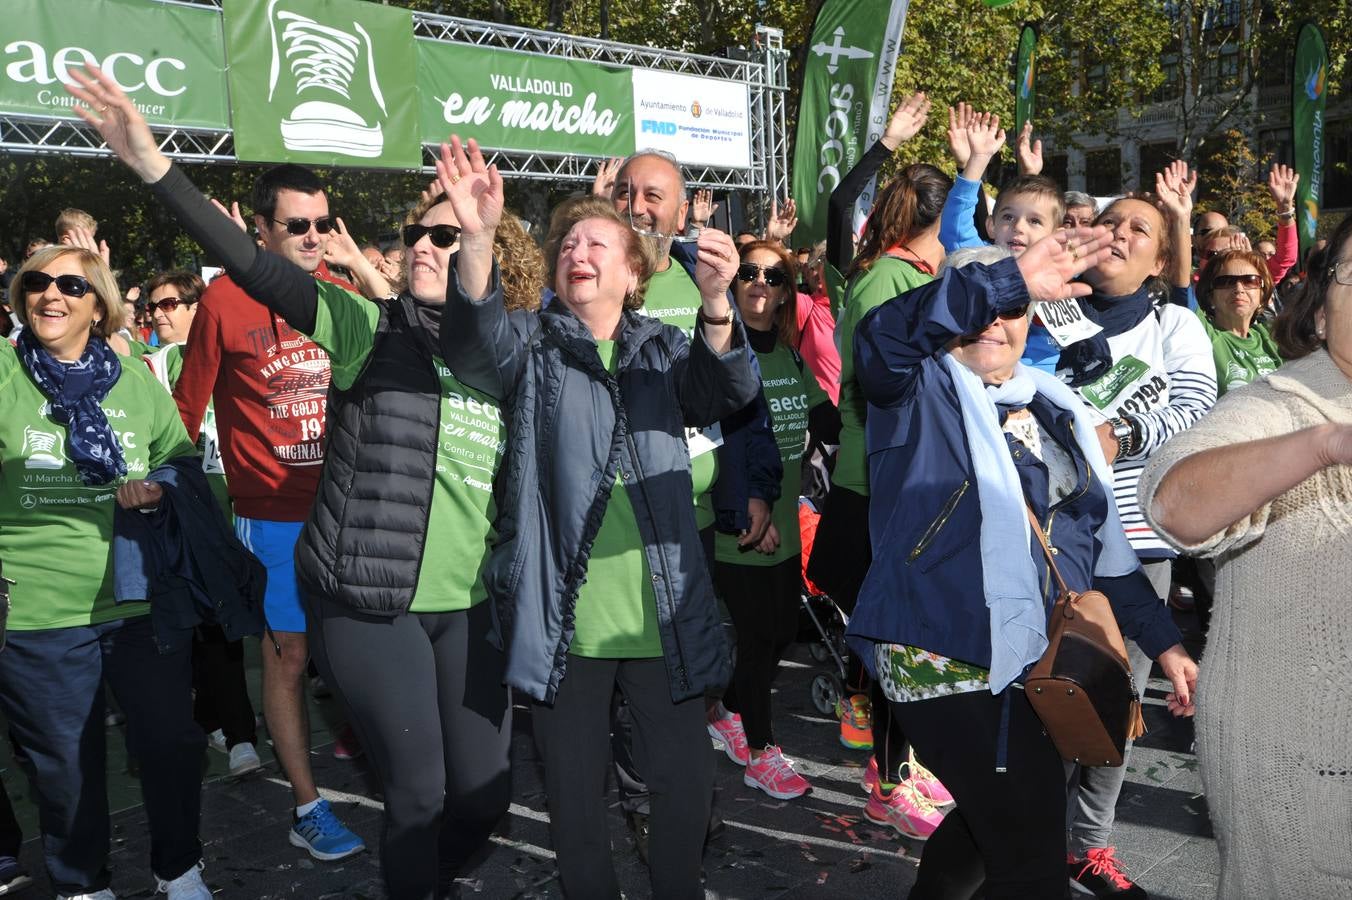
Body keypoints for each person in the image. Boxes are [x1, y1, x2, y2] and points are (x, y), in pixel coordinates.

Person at [72, 67, 526, 898]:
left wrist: (482, 243)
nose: (428, 245)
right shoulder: (363, 325)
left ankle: (423, 873)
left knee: (487, 792)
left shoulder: (504, 351)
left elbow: (490, 338)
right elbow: (259, 268)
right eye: (420, 235)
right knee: (418, 795)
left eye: (450, 235)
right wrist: (155, 170)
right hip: (365, 599)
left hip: (467, 604)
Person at [439, 136, 757, 899]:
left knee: (686, 791)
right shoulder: (533, 347)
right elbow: (475, 346)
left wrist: (718, 302)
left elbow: (725, 391)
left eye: (597, 243)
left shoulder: (663, 350)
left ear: (633, 271)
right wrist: (477, 237)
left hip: (665, 622)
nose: (577, 251)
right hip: (564, 628)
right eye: (567, 244)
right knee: (577, 806)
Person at [66, 68, 366, 861]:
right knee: (289, 656)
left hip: (353, 514)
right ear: (259, 233)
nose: (310, 236)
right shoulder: (226, 304)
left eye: (321, 223)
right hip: (271, 516)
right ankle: (307, 808)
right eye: (295, 226)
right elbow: (183, 411)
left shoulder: (344, 294)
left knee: (358, 651)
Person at [850, 233, 1199, 900]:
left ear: (1034, 319)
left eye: (1012, 307)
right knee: (1033, 857)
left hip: (1032, 655)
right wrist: (1005, 279)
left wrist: (1166, 642)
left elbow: (1095, 550)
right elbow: (882, 338)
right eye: (978, 302)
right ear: (945, 311)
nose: (995, 321)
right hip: (938, 648)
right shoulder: (916, 392)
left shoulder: (1055, 408)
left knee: (985, 835)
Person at [1139, 213, 1352, 900]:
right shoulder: (1281, 406)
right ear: (1317, 313)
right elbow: (1177, 502)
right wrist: (1323, 446)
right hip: (1308, 771)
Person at [0, 245, 210, 899]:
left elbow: (179, 455)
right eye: (36, 282)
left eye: (70, 283)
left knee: (173, 743)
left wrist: (160, 486)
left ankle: (178, 867)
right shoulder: (4, 373)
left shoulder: (135, 379)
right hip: (38, 612)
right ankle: (81, 883)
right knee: (63, 769)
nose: (50, 294)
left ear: (99, 304)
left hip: (139, 601)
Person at [601, 149, 781, 849]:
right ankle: (650, 808)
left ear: (685, 211)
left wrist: (757, 487)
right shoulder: (585, 278)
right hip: (614, 527)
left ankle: (681, 797)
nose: (637, 205)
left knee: (689, 671)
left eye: (654, 195)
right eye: (625, 192)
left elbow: (742, 395)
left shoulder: (703, 281)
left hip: (693, 522)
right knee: (628, 679)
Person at [1052, 193, 1217, 898]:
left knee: (1116, 706)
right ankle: (1025, 836)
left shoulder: (1175, 324)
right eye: (1110, 221)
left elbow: (1193, 410)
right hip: (1051, 541)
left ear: (1159, 260)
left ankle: (1087, 847)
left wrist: (1118, 437)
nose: (1120, 233)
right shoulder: (1045, 310)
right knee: (1047, 693)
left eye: (1138, 228)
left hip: (1138, 547)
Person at [812, 146, 954, 839]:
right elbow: (875, 387)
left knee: (901, 636)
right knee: (895, 638)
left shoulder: (904, 275)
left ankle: (899, 767)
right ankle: (888, 782)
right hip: (878, 485)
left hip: (901, 482)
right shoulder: (885, 282)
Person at [707, 240, 837, 800]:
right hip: (740, 519)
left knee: (782, 632)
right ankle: (761, 753)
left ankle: (727, 709)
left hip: (785, 518)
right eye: (749, 272)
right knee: (760, 638)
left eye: (775, 276)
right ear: (731, 282)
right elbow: (723, 437)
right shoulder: (719, 348)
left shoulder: (788, 352)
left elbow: (826, 421)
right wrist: (751, 505)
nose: (760, 283)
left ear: (788, 291)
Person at [140, 270, 262, 778]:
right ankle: (239, 734)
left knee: (249, 623)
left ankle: (222, 720)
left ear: (199, 305)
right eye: (154, 307)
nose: (160, 314)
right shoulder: (158, 362)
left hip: (252, 506)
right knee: (211, 624)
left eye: (170, 303)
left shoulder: (237, 348)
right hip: (193, 513)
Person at [1194, 249, 1282, 395]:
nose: (1239, 289)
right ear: (1210, 295)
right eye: (1226, 282)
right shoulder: (1201, 331)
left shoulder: (1272, 336)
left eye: (1250, 281)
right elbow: (1180, 280)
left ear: (1262, 293)